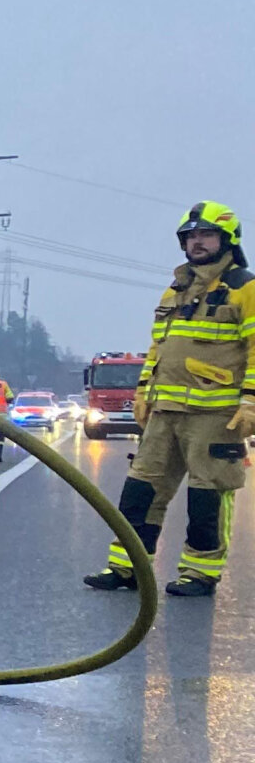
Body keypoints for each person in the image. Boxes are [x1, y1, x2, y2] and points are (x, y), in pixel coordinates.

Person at [83, 202, 255, 598]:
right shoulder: (176, 290)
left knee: (207, 493)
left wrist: (250, 401)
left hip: (217, 415)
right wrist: (144, 392)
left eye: (206, 234)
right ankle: (128, 568)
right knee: (141, 490)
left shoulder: (245, 289)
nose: (197, 242)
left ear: (227, 240)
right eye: (191, 236)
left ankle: (200, 572)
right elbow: (158, 348)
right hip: (165, 413)